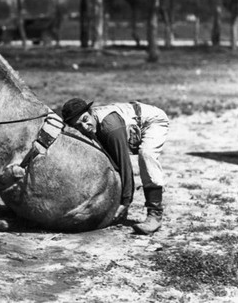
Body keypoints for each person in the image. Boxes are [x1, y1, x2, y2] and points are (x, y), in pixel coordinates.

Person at [61, 98, 169, 235]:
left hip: (152, 120)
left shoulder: (110, 127)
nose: (84, 126)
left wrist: (125, 202)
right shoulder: (93, 125)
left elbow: (124, 164)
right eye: (78, 126)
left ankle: (155, 214)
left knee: (146, 154)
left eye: (85, 119)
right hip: (131, 119)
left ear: (91, 112)